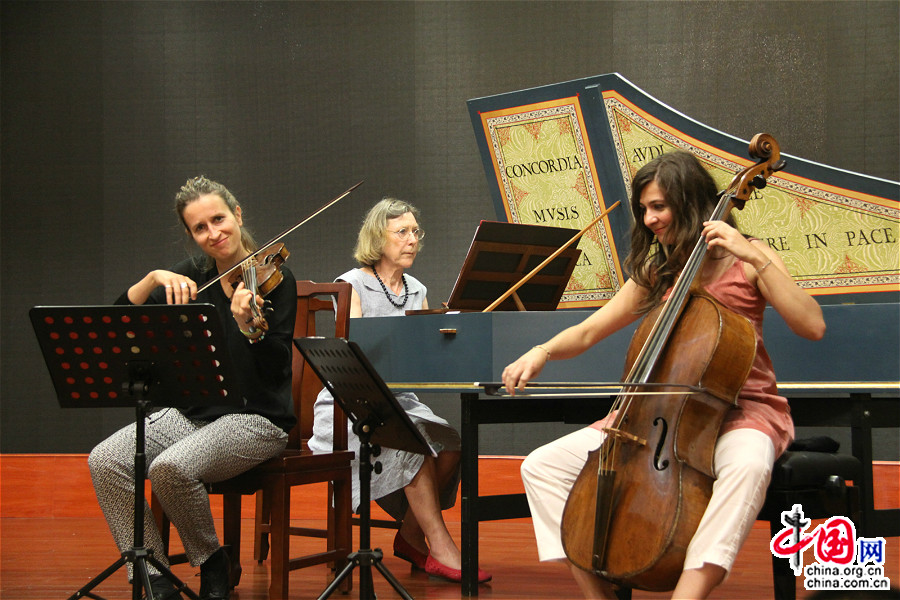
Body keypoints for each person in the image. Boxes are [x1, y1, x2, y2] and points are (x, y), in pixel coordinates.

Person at [501, 151, 826, 599]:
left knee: (748, 465)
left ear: (691, 202)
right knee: (543, 467)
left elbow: (812, 326)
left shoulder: (749, 259)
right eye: (644, 209)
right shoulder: (659, 270)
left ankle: (688, 593)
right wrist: (541, 351)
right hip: (654, 417)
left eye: (660, 206)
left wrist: (752, 253)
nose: (650, 218)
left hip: (738, 412)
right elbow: (591, 328)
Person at [88, 176, 297, 600]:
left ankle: (211, 562)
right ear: (191, 234)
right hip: (193, 415)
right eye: (200, 228)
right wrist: (150, 280)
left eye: (219, 219)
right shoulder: (188, 278)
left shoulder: (275, 279)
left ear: (237, 215)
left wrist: (248, 328)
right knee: (105, 460)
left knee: (169, 468)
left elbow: (274, 369)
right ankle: (153, 575)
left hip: (256, 419)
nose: (213, 233)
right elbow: (116, 324)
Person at [308, 197, 492, 584]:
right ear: (379, 237)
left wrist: (446, 335)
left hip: (400, 400)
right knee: (412, 443)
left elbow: (421, 359)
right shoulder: (351, 284)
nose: (412, 240)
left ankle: (409, 536)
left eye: (415, 232)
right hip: (351, 403)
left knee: (451, 443)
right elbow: (349, 357)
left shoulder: (417, 289)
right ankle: (440, 544)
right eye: (402, 232)